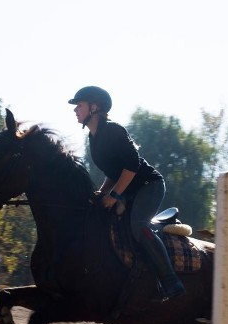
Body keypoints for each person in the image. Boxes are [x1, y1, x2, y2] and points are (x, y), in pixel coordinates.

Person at [68, 86, 185, 301]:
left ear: (94, 108)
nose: (75, 110)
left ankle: (170, 282)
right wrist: (101, 194)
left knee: (138, 226)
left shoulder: (113, 130)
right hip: (128, 190)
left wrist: (114, 195)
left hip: (149, 186)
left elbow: (131, 167)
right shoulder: (93, 138)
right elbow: (113, 173)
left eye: (79, 105)